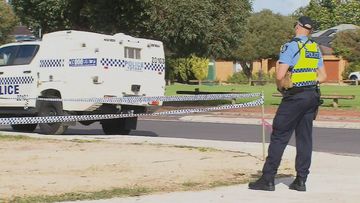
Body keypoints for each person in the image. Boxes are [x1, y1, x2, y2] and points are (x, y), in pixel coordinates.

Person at [248, 16, 327, 192]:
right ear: (311, 30)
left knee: (279, 136)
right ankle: (301, 180)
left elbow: (279, 75)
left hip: (294, 97)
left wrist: (286, 74)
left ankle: (267, 179)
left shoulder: (290, 46)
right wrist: (308, 80)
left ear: (298, 27)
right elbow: (323, 76)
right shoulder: (315, 48)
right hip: (311, 96)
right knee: (305, 139)